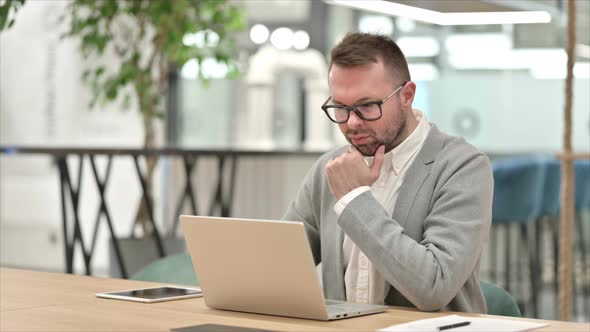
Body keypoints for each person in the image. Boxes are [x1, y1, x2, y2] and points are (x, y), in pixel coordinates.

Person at [282, 32, 493, 313]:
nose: (352, 123)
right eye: (340, 108)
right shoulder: (330, 168)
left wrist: (355, 198)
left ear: (407, 95)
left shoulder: (462, 166)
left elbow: (434, 287)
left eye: (367, 106)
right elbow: (280, 263)